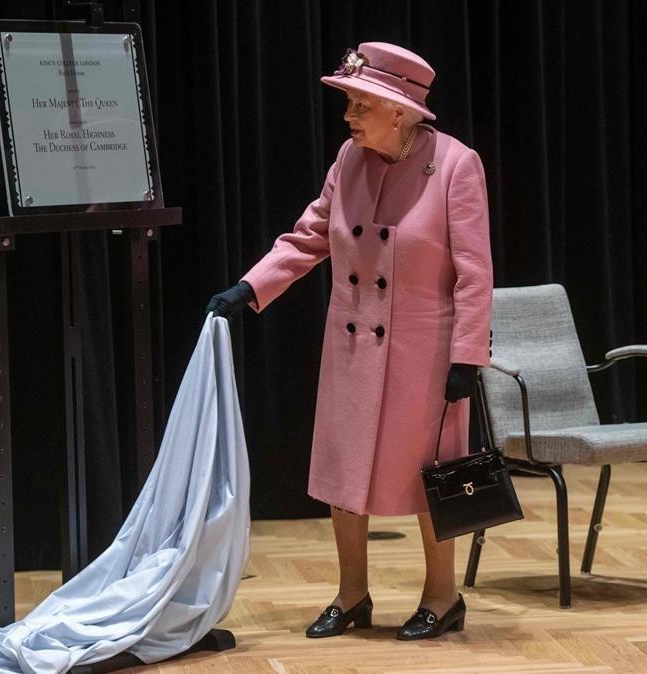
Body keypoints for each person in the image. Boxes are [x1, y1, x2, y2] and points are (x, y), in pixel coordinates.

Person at [206, 42, 493, 639]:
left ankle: (443, 597)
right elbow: (309, 235)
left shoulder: (457, 165)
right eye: (350, 102)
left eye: (360, 102)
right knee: (343, 475)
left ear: (399, 110)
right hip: (352, 344)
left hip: (425, 356)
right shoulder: (350, 159)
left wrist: (468, 356)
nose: (349, 115)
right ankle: (352, 594)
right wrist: (249, 289)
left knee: (429, 477)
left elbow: (474, 274)